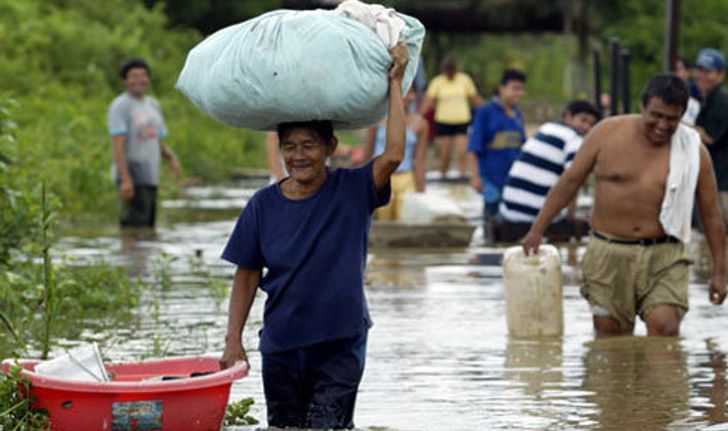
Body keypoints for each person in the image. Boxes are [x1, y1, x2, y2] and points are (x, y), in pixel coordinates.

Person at [219, 44, 409, 429]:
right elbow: (247, 275)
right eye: (290, 147)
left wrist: (395, 82)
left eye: (308, 146)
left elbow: (392, 156)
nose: (299, 156)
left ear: (330, 148)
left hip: (340, 340)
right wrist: (232, 339)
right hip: (282, 343)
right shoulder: (262, 205)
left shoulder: (353, 189)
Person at [521, 74, 727, 337]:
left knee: (665, 328)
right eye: (656, 115)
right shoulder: (606, 133)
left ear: (683, 117)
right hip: (609, 252)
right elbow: (570, 181)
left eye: (672, 119)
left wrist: (720, 272)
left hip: (665, 254)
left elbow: (711, 214)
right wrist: (537, 230)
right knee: (610, 337)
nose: (662, 125)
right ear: (642, 107)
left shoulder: (693, 150)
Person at [494, 100, 599, 241]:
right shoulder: (574, 139)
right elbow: (574, 180)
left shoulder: (546, 128)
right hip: (535, 217)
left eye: (591, 124)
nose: (586, 127)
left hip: (507, 211)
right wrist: (570, 218)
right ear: (568, 116)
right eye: (583, 120)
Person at [108, 58, 181, 228]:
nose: (138, 80)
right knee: (132, 228)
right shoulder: (120, 106)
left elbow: (158, 141)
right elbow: (118, 145)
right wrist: (126, 179)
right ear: (125, 80)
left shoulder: (153, 105)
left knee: (148, 228)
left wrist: (172, 158)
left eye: (142, 76)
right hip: (132, 176)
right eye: (133, 76)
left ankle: (144, 256)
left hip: (150, 176)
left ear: (148, 79)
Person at [468, 69, 527, 223]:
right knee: (491, 222)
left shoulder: (518, 114)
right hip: (491, 181)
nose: (519, 93)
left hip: (513, 180)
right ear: (502, 88)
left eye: (521, 89)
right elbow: (474, 147)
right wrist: (475, 177)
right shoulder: (485, 112)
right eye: (515, 88)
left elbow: (522, 146)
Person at [362, 87, 428, 220]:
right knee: (381, 220)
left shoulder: (420, 123)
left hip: (406, 178)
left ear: (414, 96)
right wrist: (363, 183)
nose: (405, 96)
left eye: (409, 91)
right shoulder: (377, 121)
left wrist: (421, 189)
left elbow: (419, 159)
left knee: (405, 220)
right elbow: (368, 152)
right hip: (381, 176)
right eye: (402, 90)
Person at [420, 55, 483, 177]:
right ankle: (443, 175)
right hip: (444, 122)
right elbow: (427, 101)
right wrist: (419, 115)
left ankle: (463, 175)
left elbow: (475, 98)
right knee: (445, 153)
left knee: (462, 152)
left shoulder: (464, 80)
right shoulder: (437, 82)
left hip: (462, 122)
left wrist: (489, 111)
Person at [694, 48, 728, 226]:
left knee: (718, 231)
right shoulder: (702, 99)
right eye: (700, 70)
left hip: (722, 184)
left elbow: (710, 138)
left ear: (720, 75)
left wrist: (683, 126)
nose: (702, 76)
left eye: (708, 71)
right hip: (710, 181)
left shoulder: (722, 100)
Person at [674, 56, 701, 125]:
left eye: (678, 69)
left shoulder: (698, 91)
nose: (675, 73)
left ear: (688, 72)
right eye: (674, 70)